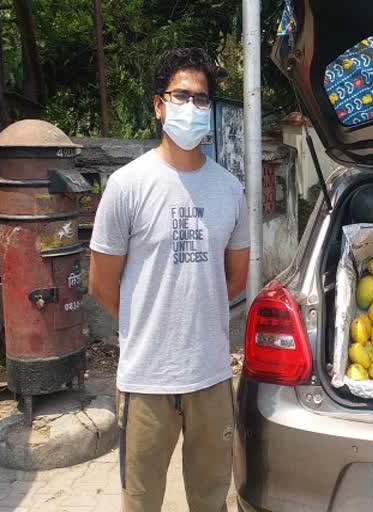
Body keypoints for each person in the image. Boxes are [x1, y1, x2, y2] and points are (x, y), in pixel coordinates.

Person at [88, 47, 250, 512]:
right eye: (182, 96)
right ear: (159, 105)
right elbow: (102, 284)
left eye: (202, 100)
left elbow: (235, 279)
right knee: (140, 502)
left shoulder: (229, 189)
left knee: (210, 499)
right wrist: (149, 322)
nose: (192, 108)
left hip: (211, 377)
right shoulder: (127, 186)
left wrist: (192, 320)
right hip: (145, 381)